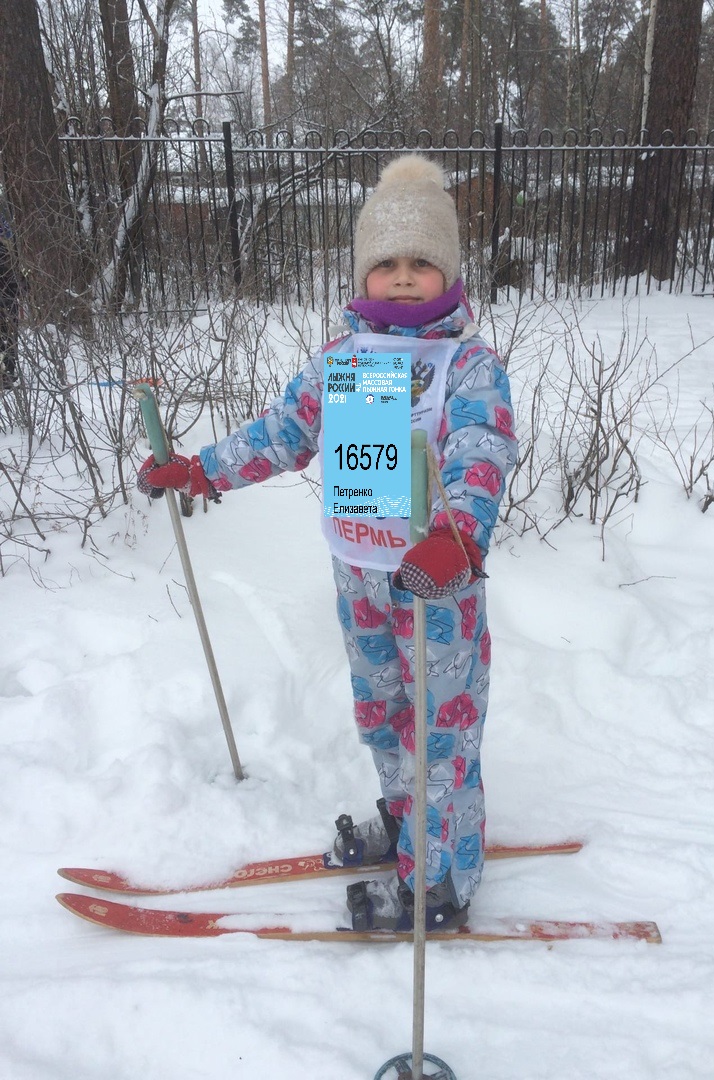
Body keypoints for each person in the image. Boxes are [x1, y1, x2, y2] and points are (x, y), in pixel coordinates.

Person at [138, 156, 517, 931]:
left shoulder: (466, 365)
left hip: (435, 586)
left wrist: (458, 534)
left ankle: (441, 879)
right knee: (383, 717)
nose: (403, 277)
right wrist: (201, 470)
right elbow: (281, 433)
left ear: (448, 274)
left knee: (437, 732)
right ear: (362, 273)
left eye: (421, 262)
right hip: (360, 583)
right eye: (387, 262)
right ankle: (407, 825)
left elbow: (482, 451)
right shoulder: (342, 364)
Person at [0, 213, 20, 391]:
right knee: (8, 339)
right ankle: (6, 376)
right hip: (6, 302)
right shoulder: (3, 253)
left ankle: (7, 374)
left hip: (8, 300)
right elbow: (11, 278)